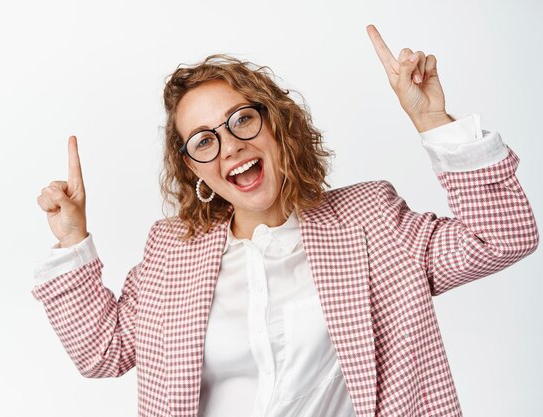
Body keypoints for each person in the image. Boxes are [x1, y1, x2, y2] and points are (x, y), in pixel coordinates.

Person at [32, 25, 539, 417]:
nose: (230, 145)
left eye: (242, 120)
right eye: (205, 140)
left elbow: (502, 237)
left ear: (277, 123)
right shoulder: (172, 252)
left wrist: (432, 120)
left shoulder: (371, 221)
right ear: (195, 168)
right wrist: (74, 239)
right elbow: (103, 352)